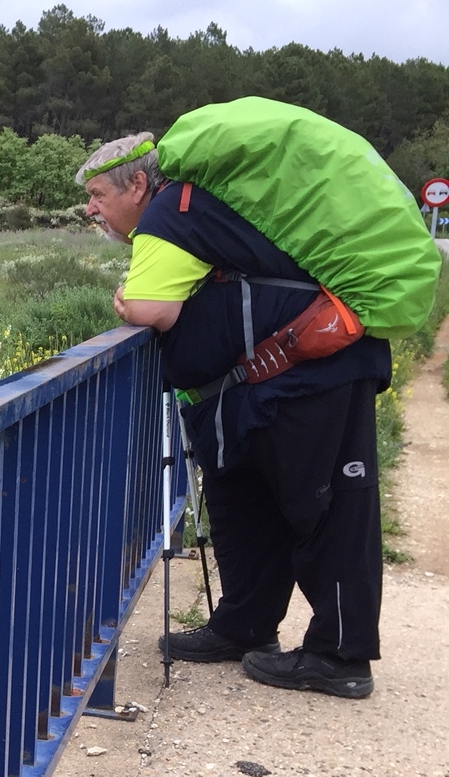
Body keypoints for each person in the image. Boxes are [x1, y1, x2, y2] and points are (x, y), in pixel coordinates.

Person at [80, 132, 392, 700]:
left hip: (311, 377)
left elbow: (150, 308)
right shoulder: (194, 212)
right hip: (261, 387)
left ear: (139, 185)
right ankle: (243, 626)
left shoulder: (171, 216)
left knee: (327, 508)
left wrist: (123, 300)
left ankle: (340, 656)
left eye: (98, 194)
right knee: (247, 505)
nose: (90, 208)